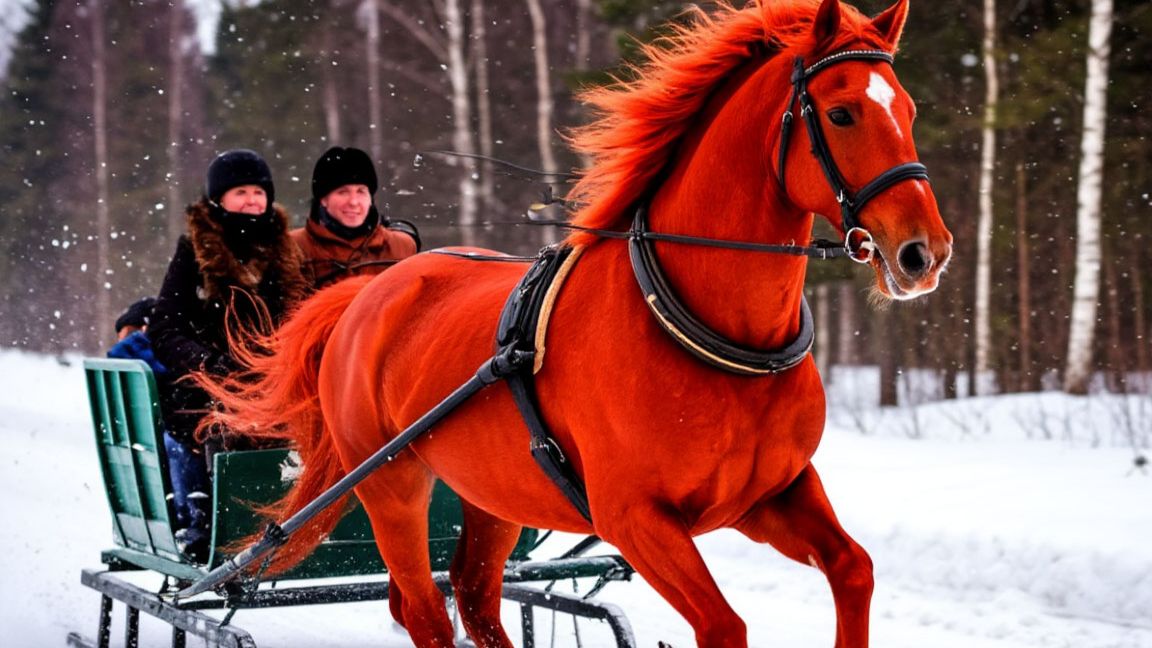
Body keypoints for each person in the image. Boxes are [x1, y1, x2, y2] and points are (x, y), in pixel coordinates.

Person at [149, 149, 309, 561]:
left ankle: (301, 517)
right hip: (210, 377)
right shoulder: (196, 250)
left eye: (259, 192)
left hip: (275, 374)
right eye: (241, 192)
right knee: (215, 419)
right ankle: (214, 521)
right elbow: (165, 328)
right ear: (219, 199)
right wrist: (209, 364)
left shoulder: (286, 251)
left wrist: (286, 363)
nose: (253, 201)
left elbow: (303, 315)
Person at [108, 297, 211, 562]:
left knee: (181, 444)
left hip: (170, 435)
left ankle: (192, 519)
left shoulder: (149, 354)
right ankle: (192, 521)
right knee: (181, 445)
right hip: (176, 435)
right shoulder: (144, 352)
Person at [291, 146, 421, 289]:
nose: (353, 202)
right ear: (323, 199)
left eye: (361, 191)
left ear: (371, 198)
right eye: (343, 192)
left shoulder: (401, 247)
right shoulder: (294, 249)